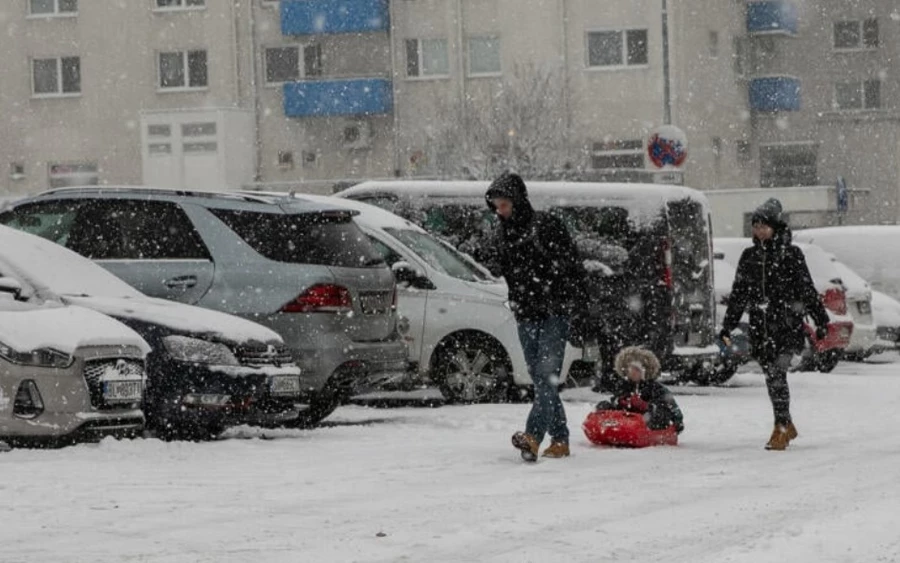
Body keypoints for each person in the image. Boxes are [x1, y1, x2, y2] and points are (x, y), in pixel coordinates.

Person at [484, 172, 588, 461]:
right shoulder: (502, 233)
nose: (500, 211)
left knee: (545, 375)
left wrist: (573, 304)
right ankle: (561, 439)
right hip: (525, 313)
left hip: (554, 312)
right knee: (541, 378)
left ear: (518, 201)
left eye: (504, 204)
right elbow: (503, 269)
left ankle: (533, 436)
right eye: (496, 206)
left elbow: (572, 268)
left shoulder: (547, 226)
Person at [719, 198, 830, 451]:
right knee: (772, 377)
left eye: (763, 226)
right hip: (761, 326)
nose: (759, 230)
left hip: (787, 325)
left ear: (775, 227)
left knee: (776, 373)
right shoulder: (749, 257)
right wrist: (728, 325)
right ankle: (786, 423)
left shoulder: (791, 255)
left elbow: (807, 290)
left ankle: (781, 426)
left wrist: (821, 320)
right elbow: (739, 294)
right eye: (755, 226)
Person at [593, 346, 684, 434]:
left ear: (645, 371)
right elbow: (615, 404)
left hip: (649, 427)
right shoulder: (624, 387)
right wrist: (618, 403)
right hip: (627, 424)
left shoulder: (656, 389)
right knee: (604, 407)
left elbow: (672, 412)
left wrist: (647, 407)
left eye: (636, 369)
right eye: (630, 369)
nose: (632, 372)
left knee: (659, 414)